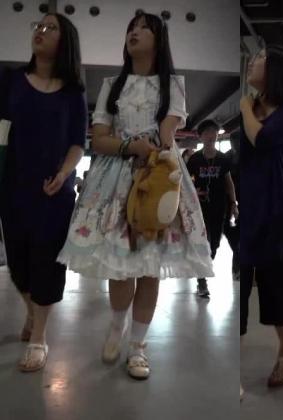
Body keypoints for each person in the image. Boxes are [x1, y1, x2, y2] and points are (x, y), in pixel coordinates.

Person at [57, 13, 213, 380]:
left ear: (159, 39)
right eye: (131, 27)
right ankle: (117, 324)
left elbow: (166, 137)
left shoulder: (173, 85)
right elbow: (99, 140)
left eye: (144, 28)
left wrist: (149, 146)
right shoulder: (111, 85)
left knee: (149, 268)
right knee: (120, 263)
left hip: (159, 176)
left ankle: (138, 347)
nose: (134, 32)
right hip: (115, 179)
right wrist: (130, 146)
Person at [0, 13, 86, 372]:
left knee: (47, 263)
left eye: (51, 28)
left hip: (54, 192)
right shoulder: (10, 81)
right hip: (12, 186)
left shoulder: (73, 93)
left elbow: (78, 142)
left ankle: (39, 337)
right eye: (39, 25)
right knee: (18, 263)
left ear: (65, 42)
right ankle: (32, 312)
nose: (41, 30)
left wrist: (64, 174)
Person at [234, 45, 283, 398]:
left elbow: (261, 138)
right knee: (240, 290)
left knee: (276, 286)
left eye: (261, 57)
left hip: (279, 210)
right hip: (248, 209)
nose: (253, 61)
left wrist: (245, 108)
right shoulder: (251, 109)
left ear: (277, 69)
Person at [186, 119, 238, 298]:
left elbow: (229, 183)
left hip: (219, 207)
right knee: (202, 241)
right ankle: (202, 281)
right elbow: (186, 182)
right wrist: (194, 191)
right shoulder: (194, 159)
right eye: (207, 132)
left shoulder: (223, 159)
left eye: (214, 132)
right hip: (199, 208)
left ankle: (204, 268)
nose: (211, 135)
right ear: (201, 136)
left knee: (214, 244)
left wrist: (234, 204)